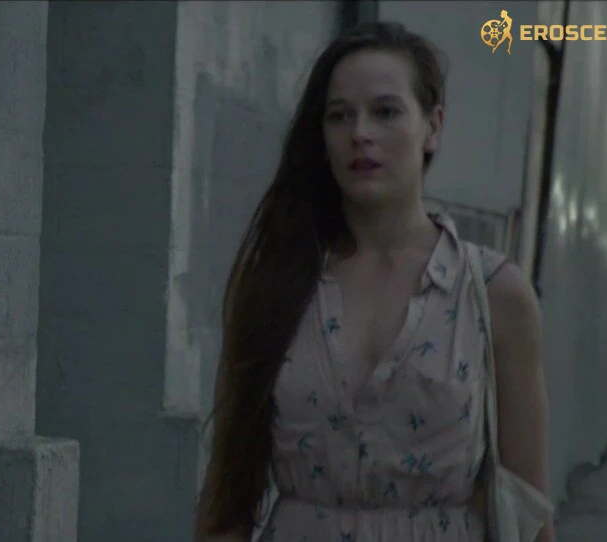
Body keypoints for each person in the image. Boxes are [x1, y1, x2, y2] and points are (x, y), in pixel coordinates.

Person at [195, 22, 553, 542]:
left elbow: (529, 509)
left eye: (385, 112)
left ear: (433, 127)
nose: (360, 133)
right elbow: (228, 496)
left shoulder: (494, 294)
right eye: (339, 115)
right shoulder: (275, 283)